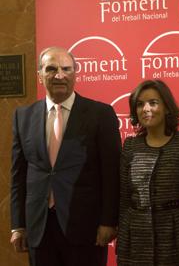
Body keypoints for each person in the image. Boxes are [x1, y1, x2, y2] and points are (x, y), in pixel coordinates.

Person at [10, 46, 121, 266]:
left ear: (76, 73)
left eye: (66, 69)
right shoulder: (23, 116)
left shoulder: (100, 114)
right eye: (51, 69)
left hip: (85, 228)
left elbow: (112, 173)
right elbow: (18, 176)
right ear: (40, 75)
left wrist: (109, 221)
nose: (59, 75)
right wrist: (18, 225)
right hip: (38, 228)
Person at [116, 79, 179, 265]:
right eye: (140, 104)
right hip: (137, 238)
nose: (146, 108)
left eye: (153, 102)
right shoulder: (130, 146)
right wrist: (122, 246)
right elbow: (124, 199)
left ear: (167, 108)